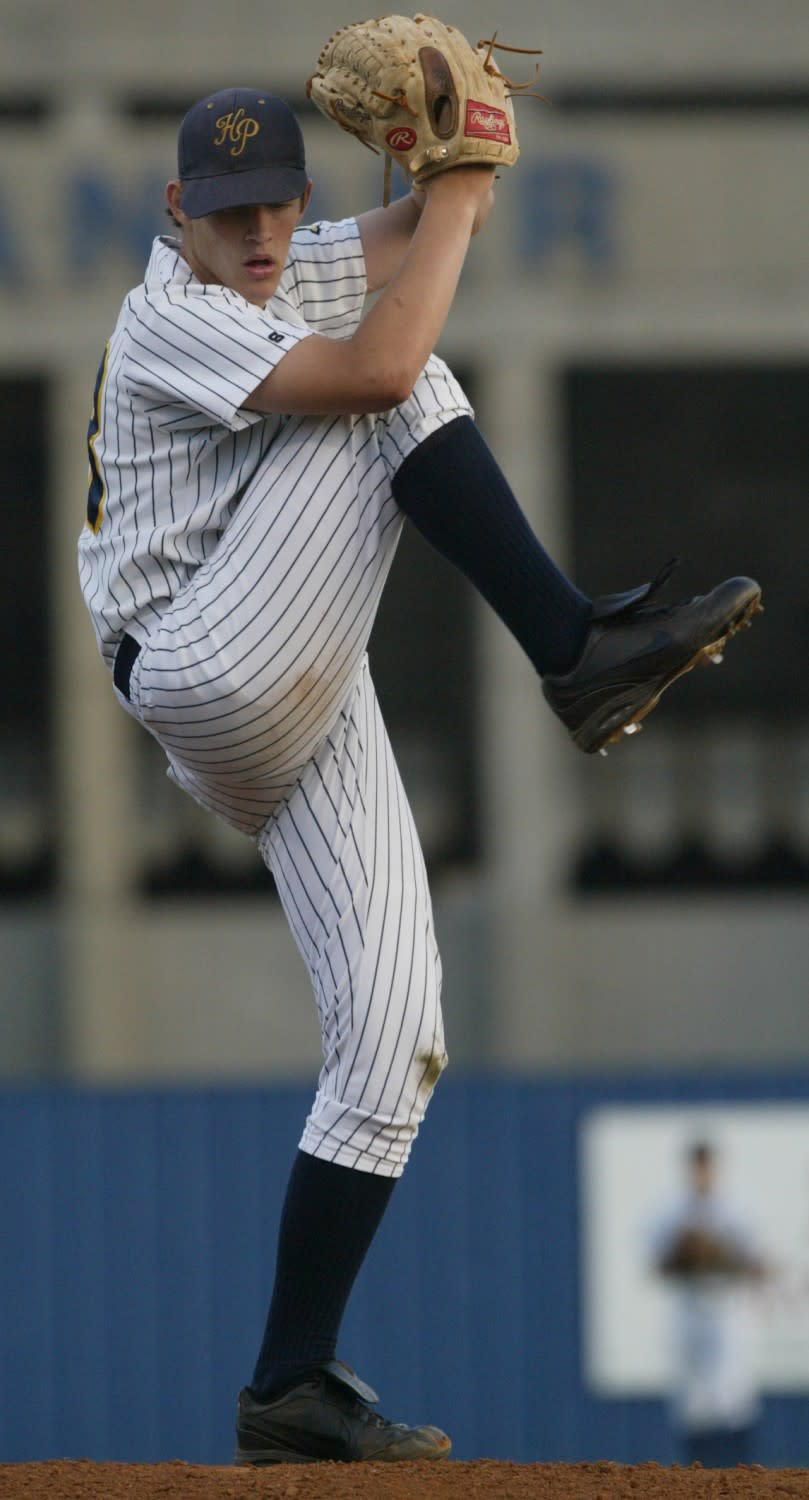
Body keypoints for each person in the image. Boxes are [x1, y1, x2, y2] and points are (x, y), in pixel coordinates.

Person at [78, 87, 761, 1465]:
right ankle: (572, 646)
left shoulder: (287, 255)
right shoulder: (168, 313)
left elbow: (397, 240)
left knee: (397, 1041)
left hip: (296, 681)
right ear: (176, 220)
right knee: (402, 379)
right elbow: (387, 358)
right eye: (228, 215)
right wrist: (452, 203)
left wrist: (465, 161)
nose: (262, 231)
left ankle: (288, 1386)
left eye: (276, 198)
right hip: (198, 659)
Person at [649, 1141, 767, 1468]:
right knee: (692, 1396)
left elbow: (759, 1266)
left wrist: (717, 1250)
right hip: (688, 1302)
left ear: (715, 1167)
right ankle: (695, 1476)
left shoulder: (736, 1208)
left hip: (726, 1303)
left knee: (732, 1391)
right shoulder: (672, 1211)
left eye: (707, 1165)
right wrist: (684, 1250)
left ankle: (742, 1474)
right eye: (697, 1166)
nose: (702, 1173)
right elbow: (657, 1266)